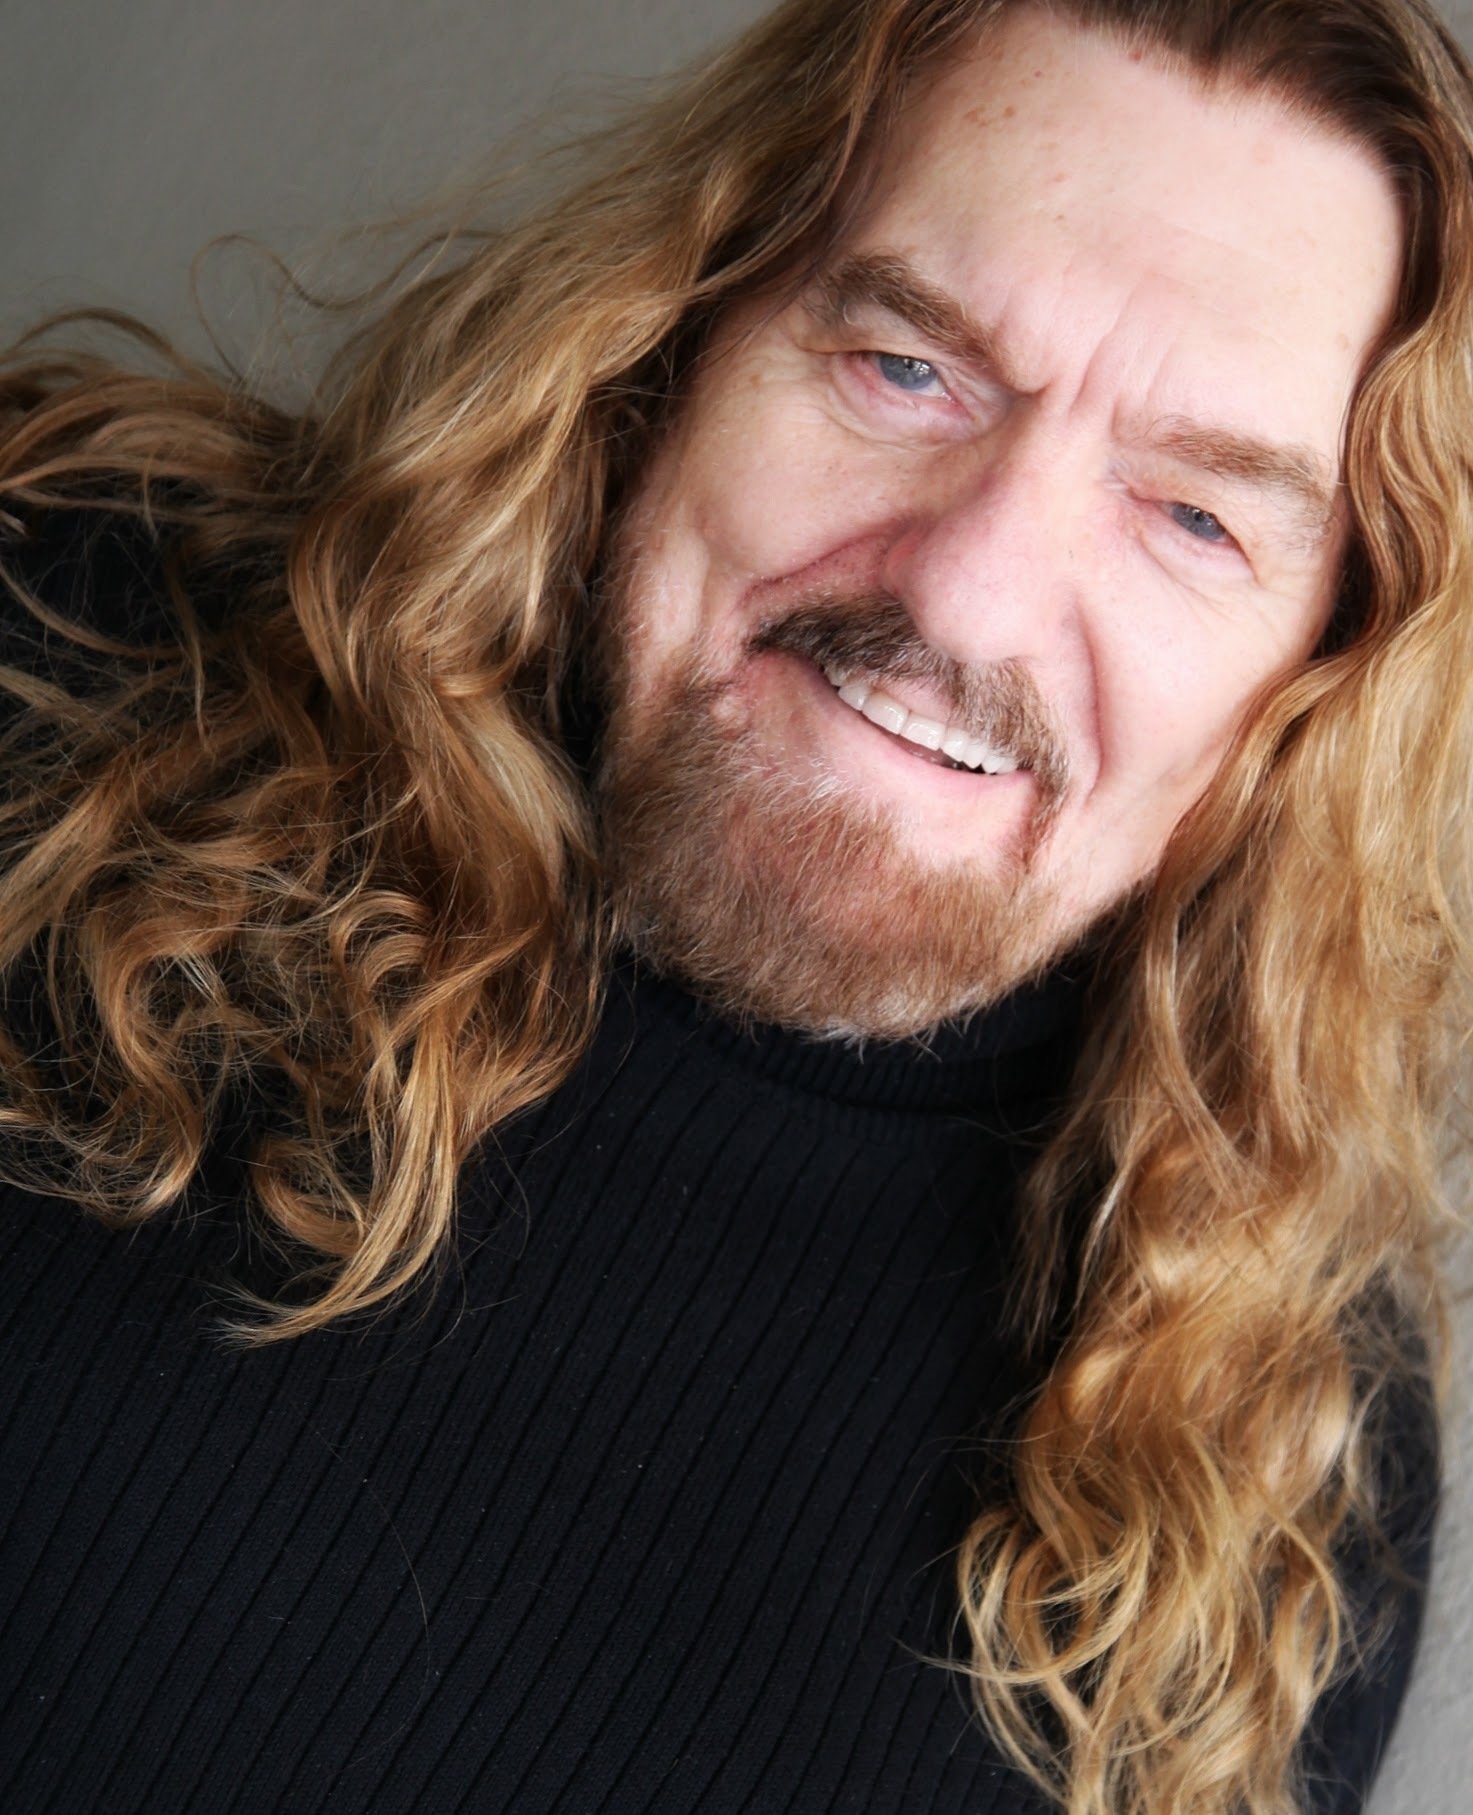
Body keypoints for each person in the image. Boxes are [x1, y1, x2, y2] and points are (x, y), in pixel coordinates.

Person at [0, 0, 1464, 1808]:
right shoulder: (59, 657)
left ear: (1319, 676)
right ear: (680, 330)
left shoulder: (1272, 1457)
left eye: (1191, 518)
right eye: (905, 368)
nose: (969, 595)